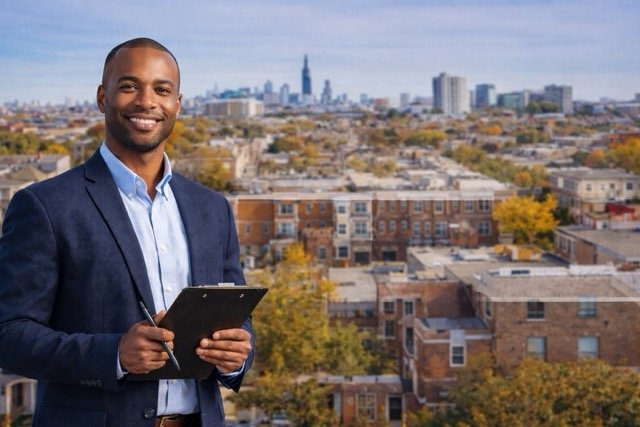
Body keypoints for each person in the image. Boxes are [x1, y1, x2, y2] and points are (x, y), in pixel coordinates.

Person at [0, 37, 253, 427]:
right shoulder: (46, 206)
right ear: (103, 97)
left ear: (177, 105)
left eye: (162, 89)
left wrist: (237, 358)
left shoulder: (212, 209)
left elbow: (237, 316)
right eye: (129, 86)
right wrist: (113, 354)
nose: (147, 102)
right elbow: (9, 335)